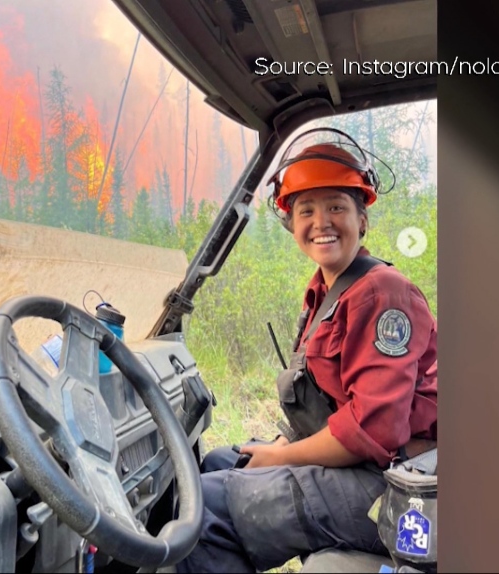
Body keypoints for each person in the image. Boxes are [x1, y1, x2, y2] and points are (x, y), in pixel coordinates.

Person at [175, 127, 438, 573]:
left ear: (362, 219)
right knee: (222, 460)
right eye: (306, 210)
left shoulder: (382, 292)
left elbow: (373, 431)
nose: (321, 222)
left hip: (397, 487)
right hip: (366, 469)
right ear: (291, 223)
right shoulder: (325, 292)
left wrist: (280, 457)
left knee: (204, 509)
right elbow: (328, 401)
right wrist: (283, 443)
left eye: (337, 206)